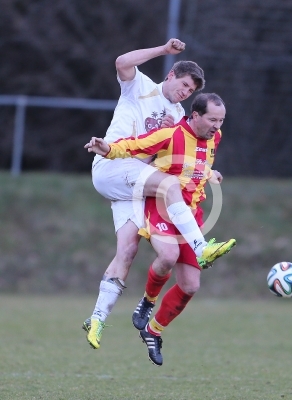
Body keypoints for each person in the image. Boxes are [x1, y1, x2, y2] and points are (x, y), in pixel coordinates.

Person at [82, 39, 236, 350]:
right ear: (170, 76)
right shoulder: (140, 86)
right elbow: (122, 61)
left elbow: (175, 158)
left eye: (190, 90)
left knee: (126, 251)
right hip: (114, 166)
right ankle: (201, 246)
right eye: (183, 84)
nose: (184, 92)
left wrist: (207, 172)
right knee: (168, 187)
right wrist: (163, 50)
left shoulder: (179, 116)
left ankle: (96, 319)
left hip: (135, 184)